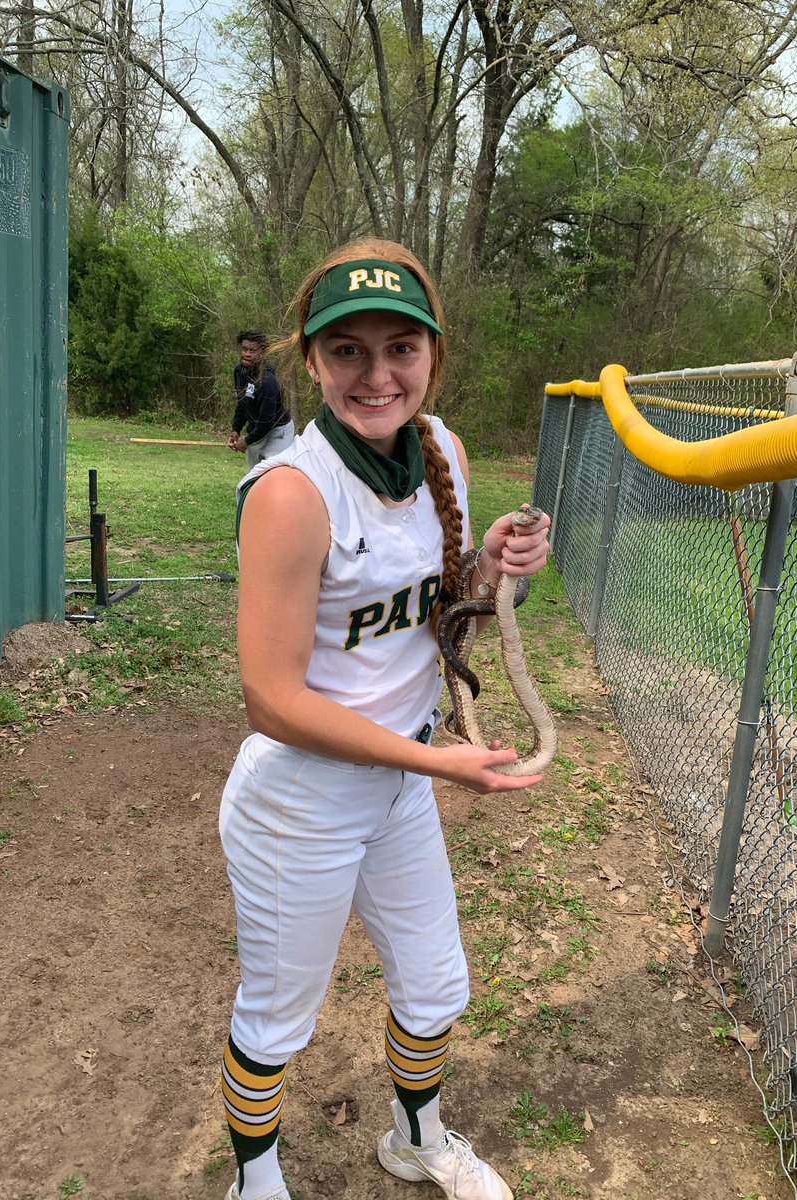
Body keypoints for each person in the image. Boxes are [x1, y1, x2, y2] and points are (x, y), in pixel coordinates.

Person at [218, 239, 551, 1200]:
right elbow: (272, 702)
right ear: (311, 362)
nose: (377, 374)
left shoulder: (440, 448)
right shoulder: (291, 492)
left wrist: (487, 566)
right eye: (348, 351)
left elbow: (436, 611)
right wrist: (446, 766)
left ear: (432, 356)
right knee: (279, 1017)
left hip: (401, 783)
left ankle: (415, 1139)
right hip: (301, 803)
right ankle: (257, 1181)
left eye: (400, 347)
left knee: (436, 984)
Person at [227, 331, 295, 469]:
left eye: (252, 351)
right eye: (244, 349)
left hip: (277, 432)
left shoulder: (268, 381)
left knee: (275, 477)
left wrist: (246, 441)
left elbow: (266, 421)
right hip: (257, 431)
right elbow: (242, 403)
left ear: (262, 353)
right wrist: (236, 429)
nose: (247, 354)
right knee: (254, 479)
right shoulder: (239, 371)